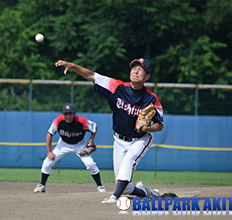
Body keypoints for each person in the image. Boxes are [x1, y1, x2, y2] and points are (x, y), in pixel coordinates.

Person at [55, 58, 164, 203]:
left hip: (141, 138)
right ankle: (147, 192)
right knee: (125, 186)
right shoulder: (117, 87)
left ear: (147, 76)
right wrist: (73, 66)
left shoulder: (151, 99)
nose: (135, 71)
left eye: (140, 70)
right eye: (134, 68)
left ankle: (115, 196)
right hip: (119, 139)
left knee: (128, 161)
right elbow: (92, 76)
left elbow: (160, 124)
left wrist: (148, 128)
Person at [34, 103, 106, 193]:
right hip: (64, 144)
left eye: (70, 114)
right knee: (47, 162)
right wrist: (49, 152)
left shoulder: (82, 121)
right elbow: (49, 134)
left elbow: (95, 127)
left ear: (74, 114)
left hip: (80, 144)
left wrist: (90, 142)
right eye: (65, 114)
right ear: (62, 114)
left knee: (90, 164)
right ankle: (42, 185)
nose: (68, 116)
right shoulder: (58, 121)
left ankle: (100, 186)